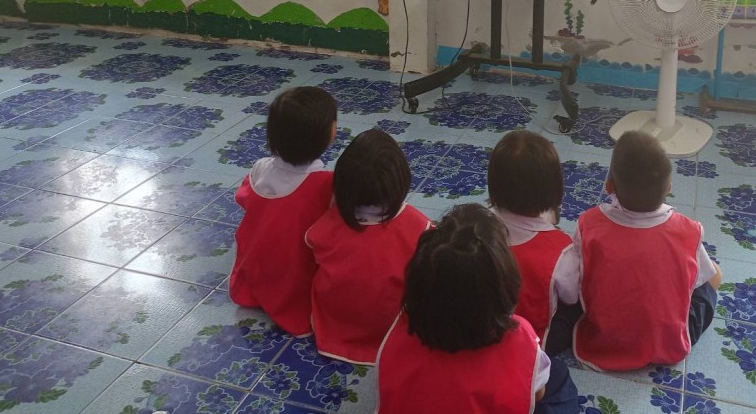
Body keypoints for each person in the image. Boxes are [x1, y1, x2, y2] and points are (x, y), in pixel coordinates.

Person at [376, 203, 577, 414]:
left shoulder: (400, 328)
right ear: (505, 286)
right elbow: (538, 394)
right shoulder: (520, 338)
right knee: (558, 375)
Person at [572, 131, 722, 371]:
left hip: (604, 342)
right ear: (668, 187)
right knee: (715, 275)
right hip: (669, 344)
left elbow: (574, 281)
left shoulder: (589, 224)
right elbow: (701, 279)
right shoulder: (688, 231)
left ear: (609, 186)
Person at [306, 129, 430, 363]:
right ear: (401, 180)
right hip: (390, 330)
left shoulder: (330, 221)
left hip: (334, 327)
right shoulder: (420, 227)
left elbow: (312, 246)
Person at [228, 86, 337, 336]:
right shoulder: (326, 183)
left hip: (256, 268)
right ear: (330, 133)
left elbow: (244, 200)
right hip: (293, 278)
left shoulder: (260, 168)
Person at [487, 130, 577, 351]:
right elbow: (571, 296)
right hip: (533, 343)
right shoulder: (561, 248)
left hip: (485, 329)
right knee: (577, 308)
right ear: (554, 189)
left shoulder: (478, 225)